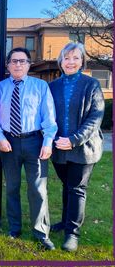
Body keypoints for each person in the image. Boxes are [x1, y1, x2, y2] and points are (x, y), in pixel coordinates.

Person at [0, 47, 57, 250]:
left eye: (22, 61)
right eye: (14, 61)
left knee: (37, 188)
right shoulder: (0, 88)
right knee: (11, 187)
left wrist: (47, 142)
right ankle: (14, 228)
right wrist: (0, 137)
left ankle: (41, 232)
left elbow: (49, 117)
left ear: (29, 64)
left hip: (34, 142)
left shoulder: (40, 86)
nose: (18, 64)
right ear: (8, 65)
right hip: (8, 143)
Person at [49, 42, 104, 252]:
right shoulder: (52, 86)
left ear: (82, 61)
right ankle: (65, 221)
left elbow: (96, 116)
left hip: (84, 148)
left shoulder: (91, 85)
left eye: (75, 58)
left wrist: (74, 139)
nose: (70, 62)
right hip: (59, 148)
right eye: (67, 58)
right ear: (61, 61)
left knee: (77, 189)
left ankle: (72, 233)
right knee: (67, 186)